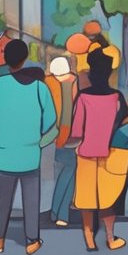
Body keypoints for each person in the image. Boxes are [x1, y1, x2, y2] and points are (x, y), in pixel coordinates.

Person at [0, 39, 56, 255]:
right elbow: (52, 125)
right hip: (29, 156)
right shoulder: (40, 88)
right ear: (25, 59)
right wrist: (37, 143)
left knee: (2, 202)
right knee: (31, 201)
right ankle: (32, 240)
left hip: (3, 155)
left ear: (6, 59)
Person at [71, 49, 128, 251]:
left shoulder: (83, 97)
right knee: (109, 198)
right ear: (109, 74)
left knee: (86, 199)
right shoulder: (116, 97)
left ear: (91, 73)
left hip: (86, 153)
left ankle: (89, 240)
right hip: (111, 154)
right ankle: (110, 238)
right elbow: (125, 123)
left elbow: (76, 130)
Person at [44, 56, 80, 227]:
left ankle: (57, 211)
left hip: (56, 132)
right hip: (70, 133)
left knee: (65, 171)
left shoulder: (49, 82)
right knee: (69, 171)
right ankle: (61, 213)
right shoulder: (72, 82)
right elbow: (68, 112)